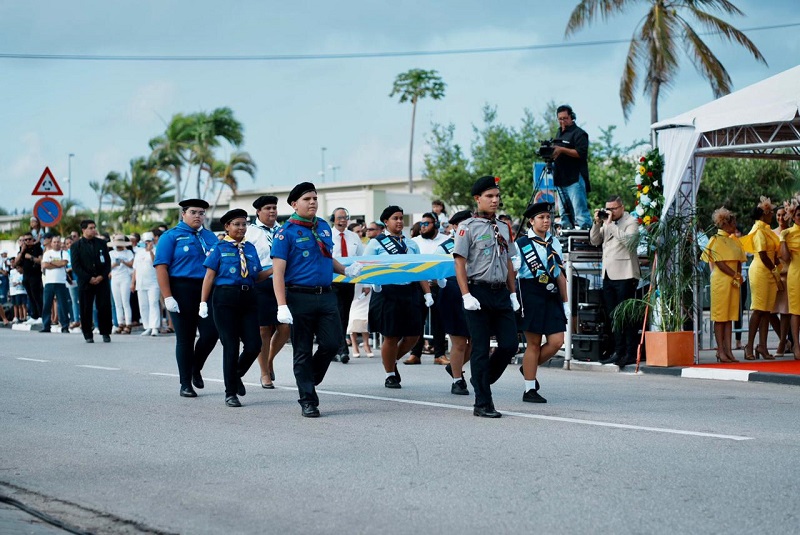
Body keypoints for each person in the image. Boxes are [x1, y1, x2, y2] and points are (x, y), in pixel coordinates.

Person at [271, 182, 362, 417]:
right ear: (294, 204)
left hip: (326, 294)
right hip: (299, 296)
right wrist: (282, 305)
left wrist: (345, 270)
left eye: (314, 198)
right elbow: (278, 272)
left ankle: (308, 378)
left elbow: (326, 257)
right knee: (301, 350)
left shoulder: (322, 226)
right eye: (306, 199)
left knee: (332, 343)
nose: (312, 202)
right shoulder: (285, 232)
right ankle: (308, 399)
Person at [453, 176, 519, 418]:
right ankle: (483, 403)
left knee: (510, 344)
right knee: (480, 348)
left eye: (497, 196)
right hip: (477, 292)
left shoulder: (503, 227)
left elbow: (509, 262)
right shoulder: (467, 227)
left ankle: (482, 378)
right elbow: (459, 263)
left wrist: (513, 294)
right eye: (489, 196)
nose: (495, 200)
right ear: (477, 199)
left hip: (500, 292)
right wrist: (466, 295)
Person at [201, 209, 270, 408]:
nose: (241, 228)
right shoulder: (219, 248)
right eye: (237, 224)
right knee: (231, 346)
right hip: (225, 299)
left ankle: (235, 374)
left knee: (254, 345)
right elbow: (209, 276)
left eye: (244, 224)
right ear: (227, 227)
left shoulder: (250, 248)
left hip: (248, 298)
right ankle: (230, 392)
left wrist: (275, 268)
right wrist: (203, 302)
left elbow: (257, 276)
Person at [154, 199, 220, 398]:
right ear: (183, 214)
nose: (198, 216)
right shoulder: (171, 236)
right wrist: (168, 296)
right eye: (193, 212)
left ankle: (195, 368)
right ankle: (185, 384)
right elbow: (161, 267)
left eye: (201, 213)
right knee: (186, 338)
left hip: (206, 290)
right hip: (181, 289)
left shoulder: (210, 237)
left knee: (211, 333)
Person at [365, 205, 433, 389]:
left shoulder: (411, 244)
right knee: (391, 335)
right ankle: (390, 374)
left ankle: (391, 360)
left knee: (413, 335)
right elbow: (365, 267)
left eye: (401, 218)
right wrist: (372, 283)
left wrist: (427, 293)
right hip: (386, 292)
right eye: (395, 218)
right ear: (386, 222)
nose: (399, 221)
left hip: (410, 292)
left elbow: (420, 270)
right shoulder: (376, 243)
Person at [515, 202, 568, 402]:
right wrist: (513, 297)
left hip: (552, 293)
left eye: (548, 217)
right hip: (531, 293)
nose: (546, 221)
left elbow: (560, 273)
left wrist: (565, 302)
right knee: (534, 343)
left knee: (557, 342)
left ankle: (527, 367)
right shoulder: (521, 245)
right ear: (531, 221)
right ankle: (529, 389)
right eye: (541, 218)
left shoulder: (554, 242)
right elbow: (513, 273)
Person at [244, 195, 289, 389]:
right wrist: (272, 269)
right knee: (263, 329)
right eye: (268, 208)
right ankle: (264, 373)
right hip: (261, 282)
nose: (272, 211)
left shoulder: (283, 230)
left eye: (274, 208)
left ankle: (269, 359)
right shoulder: (250, 233)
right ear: (258, 212)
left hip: (284, 282)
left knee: (285, 327)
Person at [590, 195, 641, 368]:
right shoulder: (606, 223)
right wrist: (597, 223)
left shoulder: (631, 221)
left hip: (625, 274)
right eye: (608, 208)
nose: (610, 212)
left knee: (626, 316)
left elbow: (630, 242)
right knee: (613, 316)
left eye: (613, 208)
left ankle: (630, 353)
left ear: (621, 207)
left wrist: (610, 225)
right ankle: (618, 352)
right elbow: (594, 240)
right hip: (608, 275)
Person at [701, 208, 746, 363]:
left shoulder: (734, 240)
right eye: (733, 222)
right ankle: (720, 350)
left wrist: (738, 275)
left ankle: (729, 350)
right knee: (720, 318)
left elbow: (739, 260)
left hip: (733, 282)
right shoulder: (715, 239)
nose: (735, 225)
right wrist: (735, 275)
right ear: (726, 223)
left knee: (729, 317)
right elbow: (719, 262)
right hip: (721, 281)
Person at [405, 212, 449, 365]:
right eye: (421, 224)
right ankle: (415, 354)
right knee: (418, 320)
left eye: (426, 224)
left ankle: (439, 354)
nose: (422, 227)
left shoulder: (446, 240)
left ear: (436, 224)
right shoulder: (414, 242)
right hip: (419, 286)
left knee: (439, 320)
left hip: (439, 285)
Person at [438, 210, 473, 395]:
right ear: (453, 227)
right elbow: (435, 271)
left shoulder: (477, 242)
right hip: (452, 294)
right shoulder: (444, 247)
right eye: (461, 225)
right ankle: (457, 380)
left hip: (474, 292)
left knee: (475, 341)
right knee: (459, 342)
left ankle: (454, 366)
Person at [742, 197, 780, 360]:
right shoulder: (758, 230)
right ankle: (749, 346)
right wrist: (774, 269)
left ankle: (762, 347)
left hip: (770, 270)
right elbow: (763, 254)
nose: (771, 214)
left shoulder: (767, 229)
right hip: (761, 270)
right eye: (769, 212)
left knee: (766, 311)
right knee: (758, 309)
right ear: (763, 214)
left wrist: (775, 267)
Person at [330, 207, 364, 363]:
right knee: (337, 314)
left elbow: (362, 259)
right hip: (333, 280)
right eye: (340, 217)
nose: (343, 220)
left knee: (345, 316)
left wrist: (366, 282)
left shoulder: (354, 237)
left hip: (349, 281)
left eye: (345, 217)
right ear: (334, 219)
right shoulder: (327, 235)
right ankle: (342, 349)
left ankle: (336, 347)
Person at [70, 220, 113, 343]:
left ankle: (105, 332)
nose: (93, 230)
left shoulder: (101, 243)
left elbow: (107, 263)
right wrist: (89, 278)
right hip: (86, 282)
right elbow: (76, 266)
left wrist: (101, 276)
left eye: (94, 227)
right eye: (90, 228)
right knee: (86, 308)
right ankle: (88, 334)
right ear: (83, 230)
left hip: (101, 280)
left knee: (104, 306)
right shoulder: (76, 246)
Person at [552, 104, 591, 229]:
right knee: (564, 212)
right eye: (560, 119)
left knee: (579, 210)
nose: (562, 121)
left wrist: (562, 150)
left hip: (574, 178)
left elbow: (581, 153)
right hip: (560, 178)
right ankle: (566, 231)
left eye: (565, 118)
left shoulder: (579, 134)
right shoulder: (559, 133)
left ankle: (585, 234)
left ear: (572, 117)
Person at [779, 201, 800, 360]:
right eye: (799, 215)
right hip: (796, 274)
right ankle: (796, 346)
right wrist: (783, 240)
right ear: (793, 217)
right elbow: (785, 258)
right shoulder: (790, 233)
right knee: (796, 311)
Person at [40, 235, 71, 334]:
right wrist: (57, 264)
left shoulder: (64, 253)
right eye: (54, 242)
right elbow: (44, 265)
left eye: (58, 242)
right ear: (51, 243)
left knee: (63, 305)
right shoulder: (47, 253)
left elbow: (64, 263)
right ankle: (46, 325)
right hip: (49, 282)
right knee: (47, 304)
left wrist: (52, 263)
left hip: (61, 282)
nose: (56, 243)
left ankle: (65, 326)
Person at [772, 203, 792, 356]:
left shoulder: (792, 233)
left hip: (788, 275)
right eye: (777, 215)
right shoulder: (771, 233)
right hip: (773, 276)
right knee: (770, 311)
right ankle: (785, 341)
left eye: (783, 215)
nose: (780, 218)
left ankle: (782, 344)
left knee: (785, 312)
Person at [132, 231, 160, 336]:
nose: (147, 243)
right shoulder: (139, 253)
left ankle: (155, 327)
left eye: (149, 241)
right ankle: (147, 326)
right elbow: (135, 269)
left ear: (153, 242)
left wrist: (150, 252)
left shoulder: (156, 251)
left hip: (153, 282)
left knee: (153, 303)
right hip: (140, 283)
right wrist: (132, 283)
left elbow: (155, 263)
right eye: (145, 241)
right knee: (143, 305)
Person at [14, 233, 44, 324]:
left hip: (35, 276)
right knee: (30, 297)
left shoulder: (37, 248)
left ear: (33, 239)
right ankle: (34, 315)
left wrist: (30, 257)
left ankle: (41, 315)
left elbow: (40, 261)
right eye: (25, 240)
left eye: (29, 239)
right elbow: (15, 263)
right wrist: (22, 251)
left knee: (37, 296)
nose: (27, 241)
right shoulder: (23, 250)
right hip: (26, 277)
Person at [108, 234, 135, 334]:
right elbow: (107, 267)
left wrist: (123, 262)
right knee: (117, 303)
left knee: (125, 302)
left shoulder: (128, 252)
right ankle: (120, 323)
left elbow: (132, 264)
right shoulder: (111, 253)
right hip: (115, 278)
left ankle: (128, 323)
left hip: (125, 278)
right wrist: (114, 264)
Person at [346, 283, 374, 358]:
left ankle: (366, 344)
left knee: (365, 315)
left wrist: (366, 285)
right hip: (351, 283)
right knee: (353, 316)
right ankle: (354, 345)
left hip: (365, 280)